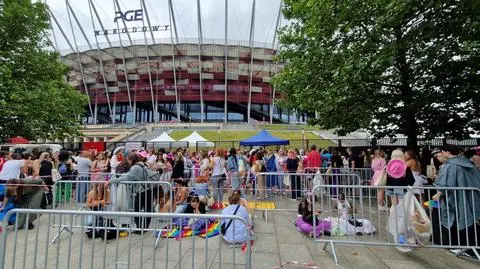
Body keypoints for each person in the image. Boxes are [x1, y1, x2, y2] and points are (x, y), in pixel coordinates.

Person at [432, 145, 480, 258]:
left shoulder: (450, 166)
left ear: (447, 152)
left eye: (442, 152)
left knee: (457, 221)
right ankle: (469, 247)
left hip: (455, 199)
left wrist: (438, 194)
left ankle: (462, 247)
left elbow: (446, 185)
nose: (441, 154)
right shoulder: (467, 163)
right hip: (470, 197)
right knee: (469, 222)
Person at [108, 152, 155, 234]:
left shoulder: (135, 167)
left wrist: (111, 181)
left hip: (142, 190)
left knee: (136, 209)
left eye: (128, 160)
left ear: (131, 160)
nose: (128, 162)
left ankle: (140, 228)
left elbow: (127, 177)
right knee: (147, 209)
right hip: (148, 189)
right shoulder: (142, 165)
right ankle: (144, 227)